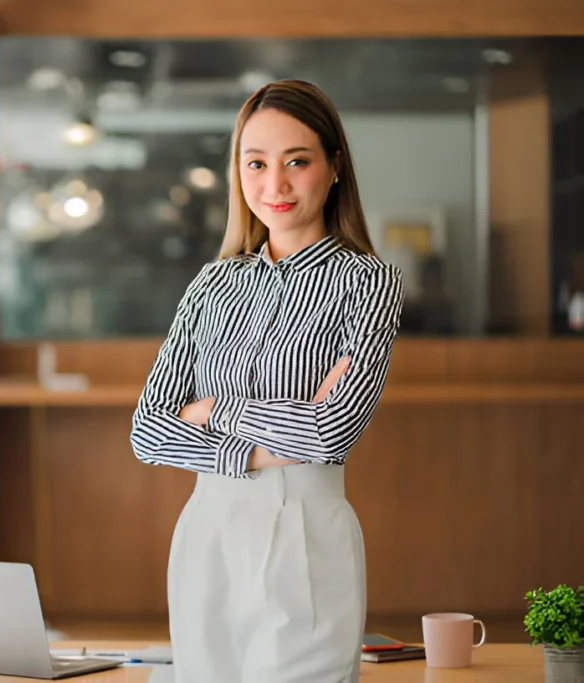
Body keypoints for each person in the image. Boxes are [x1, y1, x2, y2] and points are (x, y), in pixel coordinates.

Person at [129, 79, 405, 682]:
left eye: (297, 162)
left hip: (305, 532)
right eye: (256, 163)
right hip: (207, 532)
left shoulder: (367, 283)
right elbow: (148, 433)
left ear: (334, 167)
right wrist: (278, 435)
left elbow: (331, 435)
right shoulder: (211, 285)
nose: (274, 185)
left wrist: (216, 411)